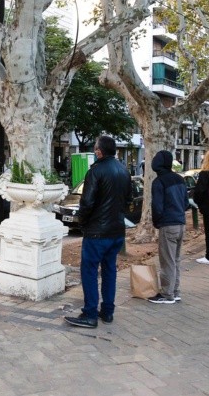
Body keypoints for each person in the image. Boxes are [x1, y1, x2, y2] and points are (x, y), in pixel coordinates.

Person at [64, 136, 131, 328]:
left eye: (95, 148)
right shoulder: (124, 171)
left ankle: (90, 314)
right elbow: (128, 200)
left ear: (99, 151)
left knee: (89, 271)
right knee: (109, 270)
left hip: (97, 232)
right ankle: (107, 311)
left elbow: (86, 202)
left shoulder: (95, 171)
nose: (94, 151)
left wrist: (83, 223)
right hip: (116, 230)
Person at [148, 150, 187, 304]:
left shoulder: (159, 182)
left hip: (168, 224)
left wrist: (157, 222)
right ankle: (175, 291)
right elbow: (185, 203)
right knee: (175, 260)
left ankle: (166, 294)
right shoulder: (179, 179)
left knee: (167, 261)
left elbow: (157, 207)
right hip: (180, 223)